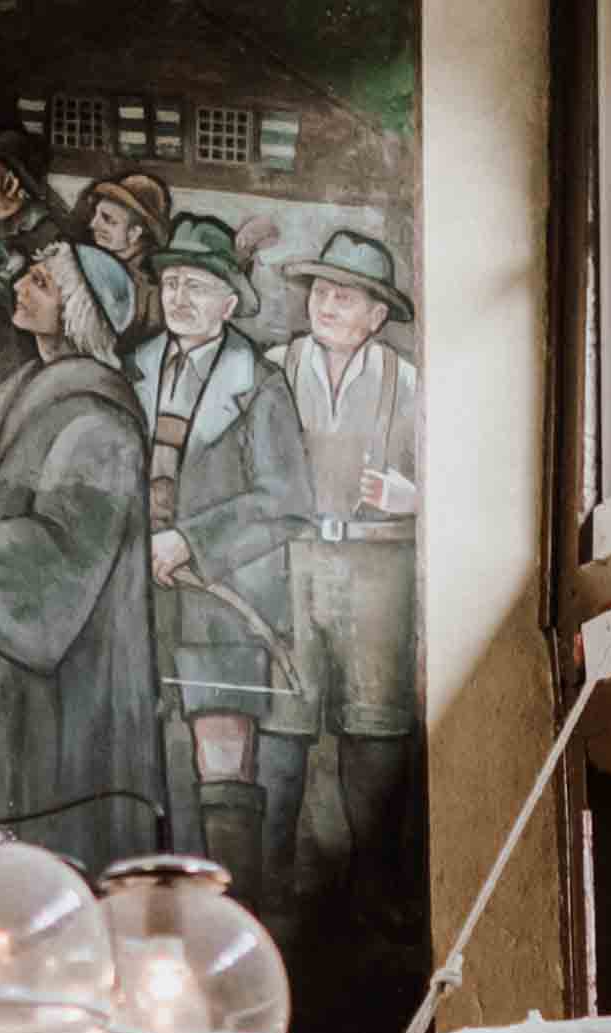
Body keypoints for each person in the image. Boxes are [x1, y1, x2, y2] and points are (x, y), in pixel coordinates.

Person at [0, 232, 167, 857]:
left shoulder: (99, 417)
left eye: (40, 282)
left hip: (67, 666)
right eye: (24, 275)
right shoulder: (18, 388)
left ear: (78, 311)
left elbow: (65, 550)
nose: (18, 288)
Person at [123, 215, 301, 864]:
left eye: (196, 285)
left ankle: (233, 921)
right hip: (138, 596)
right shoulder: (130, 370)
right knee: (140, 756)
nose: (178, 298)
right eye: (171, 282)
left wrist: (189, 542)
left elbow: (284, 499)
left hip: (222, 597)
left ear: (229, 303)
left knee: (222, 754)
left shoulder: (259, 382)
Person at [259, 225, 425, 884]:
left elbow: (462, 478)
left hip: (377, 569)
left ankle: (376, 885)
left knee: (376, 723)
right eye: (322, 292)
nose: (328, 305)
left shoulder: (406, 381)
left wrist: (413, 496)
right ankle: (270, 881)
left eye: (347, 297)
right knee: (282, 716)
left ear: (378, 315)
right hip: (291, 561)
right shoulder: (274, 369)